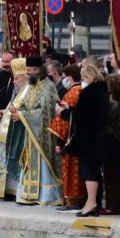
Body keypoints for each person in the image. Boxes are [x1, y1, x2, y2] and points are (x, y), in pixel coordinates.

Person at [0, 57, 61, 205]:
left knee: (42, 164)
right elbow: (26, 106)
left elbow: (45, 112)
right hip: (30, 133)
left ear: (37, 70)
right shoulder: (32, 85)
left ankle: (45, 195)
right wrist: (17, 111)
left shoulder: (48, 87)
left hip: (42, 135)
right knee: (28, 162)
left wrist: (22, 115)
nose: (27, 74)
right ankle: (28, 194)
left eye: (29, 71)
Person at [65, 63, 109, 217]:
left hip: (89, 138)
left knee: (89, 171)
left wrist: (65, 112)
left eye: (84, 77)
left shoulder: (89, 93)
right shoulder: (102, 91)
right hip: (98, 137)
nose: (82, 81)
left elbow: (81, 117)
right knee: (94, 170)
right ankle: (92, 203)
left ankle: (91, 203)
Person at [51, 65, 86, 210]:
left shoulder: (72, 93)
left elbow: (64, 121)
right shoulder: (82, 91)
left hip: (70, 140)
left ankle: (73, 202)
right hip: (81, 138)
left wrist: (59, 141)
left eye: (65, 76)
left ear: (70, 78)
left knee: (72, 171)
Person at [103, 74, 120, 215]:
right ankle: (116, 203)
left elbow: (107, 122)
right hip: (119, 141)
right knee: (117, 173)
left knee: (111, 174)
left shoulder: (112, 104)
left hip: (112, 141)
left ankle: (112, 205)